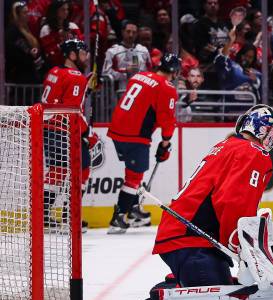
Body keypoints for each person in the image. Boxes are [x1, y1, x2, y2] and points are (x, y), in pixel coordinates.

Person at [115, 105, 273, 300]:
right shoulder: (254, 152)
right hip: (192, 241)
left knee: (226, 289)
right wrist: (241, 246)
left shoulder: (228, 146)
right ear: (264, 131)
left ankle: (169, 291)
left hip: (183, 236)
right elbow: (233, 202)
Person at [106, 53, 180, 234]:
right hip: (134, 135)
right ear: (175, 72)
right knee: (134, 178)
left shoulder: (139, 76)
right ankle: (119, 218)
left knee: (133, 174)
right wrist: (166, 142)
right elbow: (167, 119)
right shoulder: (167, 87)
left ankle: (132, 209)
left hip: (116, 130)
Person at [40, 39, 95, 231]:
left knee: (58, 170)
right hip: (64, 128)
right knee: (82, 167)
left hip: (48, 126)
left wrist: (84, 89)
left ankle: (47, 216)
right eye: (81, 53)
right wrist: (88, 131)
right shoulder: (75, 76)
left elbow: (61, 97)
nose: (85, 57)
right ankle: (70, 216)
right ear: (71, 55)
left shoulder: (54, 71)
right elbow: (72, 110)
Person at [102, 20, 152, 91]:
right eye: (128, 31)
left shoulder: (143, 51)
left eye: (134, 32)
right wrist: (126, 71)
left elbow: (150, 72)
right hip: (120, 92)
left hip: (141, 91)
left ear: (137, 34)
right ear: (122, 32)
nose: (131, 35)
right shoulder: (112, 51)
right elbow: (105, 74)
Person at [5, 1, 45, 88]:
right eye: (25, 12)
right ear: (17, 15)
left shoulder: (27, 30)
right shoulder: (13, 32)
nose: (28, 15)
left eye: (28, 12)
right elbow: (22, 54)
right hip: (20, 78)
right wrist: (32, 55)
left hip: (31, 75)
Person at [39, 0, 83, 68]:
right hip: (54, 67)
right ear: (55, 11)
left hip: (73, 66)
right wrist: (61, 41)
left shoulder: (73, 26)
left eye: (67, 9)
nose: (66, 12)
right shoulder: (46, 29)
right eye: (63, 10)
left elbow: (81, 47)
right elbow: (50, 55)